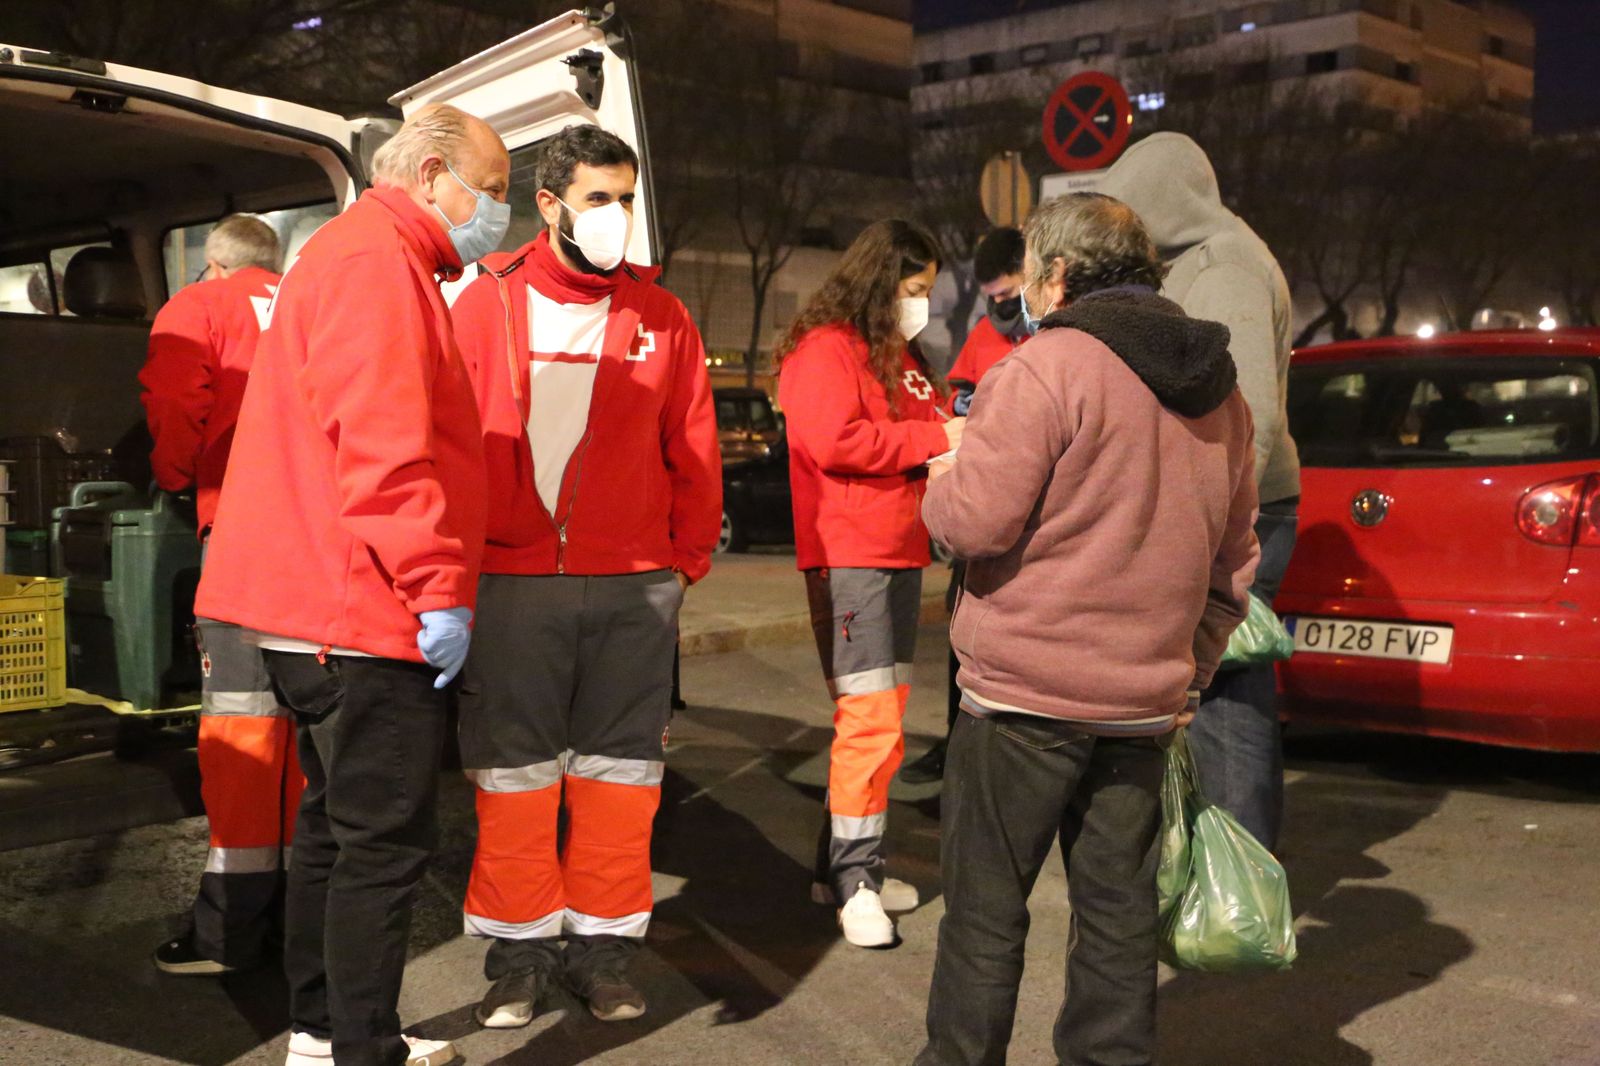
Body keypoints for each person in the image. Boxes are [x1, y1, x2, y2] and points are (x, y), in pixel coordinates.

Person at [194, 103, 508, 1066]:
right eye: (489, 190)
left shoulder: (360, 253)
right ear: (429, 175)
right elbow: (384, 450)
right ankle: (358, 1049)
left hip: (311, 607)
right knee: (381, 848)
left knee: (333, 834)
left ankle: (324, 1035)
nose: (494, 210)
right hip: (362, 607)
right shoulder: (379, 265)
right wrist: (437, 586)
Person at [915, 192, 1259, 1065]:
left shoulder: (1046, 369)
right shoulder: (1222, 392)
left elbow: (973, 526)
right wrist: (1189, 676)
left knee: (986, 919)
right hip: (1142, 708)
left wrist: (944, 474)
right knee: (1117, 924)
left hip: (1024, 700)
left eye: (1030, 272)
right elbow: (1233, 564)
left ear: (1058, 276)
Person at [449, 124, 721, 1028]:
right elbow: (444, 443)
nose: (616, 217)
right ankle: (519, 956)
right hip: (512, 579)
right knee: (515, 778)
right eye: (599, 199)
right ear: (550, 203)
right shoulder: (480, 303)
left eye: (626, 200)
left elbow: (694, 449)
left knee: (620, 777)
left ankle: (606, 950)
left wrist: (681, 563)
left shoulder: (664, 316)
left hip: (633, 584)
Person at [1101, 132, 1300, 850]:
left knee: (1225, 698)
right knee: (1221, 691)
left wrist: (1214, 533)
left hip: (1239, 514)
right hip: (1237, 509)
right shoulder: (1211, 257)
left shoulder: (1223, 267)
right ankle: (1220, 862)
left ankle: (1237, 876)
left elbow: (1250, 418)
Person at [776, 219, 963, 948]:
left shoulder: (899, 354)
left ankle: (845, 869)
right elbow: (835, 442)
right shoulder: (825, 350)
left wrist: (950, 431)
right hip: (851, 552)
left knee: (877, 726)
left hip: (896, 550)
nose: (922, 302)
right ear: (882, 282)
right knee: (870, 722)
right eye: (914, 289)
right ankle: (856, 879)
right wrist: (938, 439)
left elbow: (920, 425)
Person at [140, 214, 297, 978]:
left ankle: (230, 935)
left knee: (242, 739)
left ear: (213, 263)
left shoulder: (199, 307)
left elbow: (175, 406)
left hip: (241, 545)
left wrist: (176, 478)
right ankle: (304, 918)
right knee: (305, 745)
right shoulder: (312, 299)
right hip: (319, 551)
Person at [900, 225, 1027, 786]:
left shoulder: (1051, 332)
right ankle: (959, 743)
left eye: (1008, 294)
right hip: (988, 489)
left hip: (1037, 505)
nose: (1000, 306)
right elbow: (956, 398)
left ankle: (1002, 751)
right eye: (992, 296)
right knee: (964, 625)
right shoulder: (983, 334)